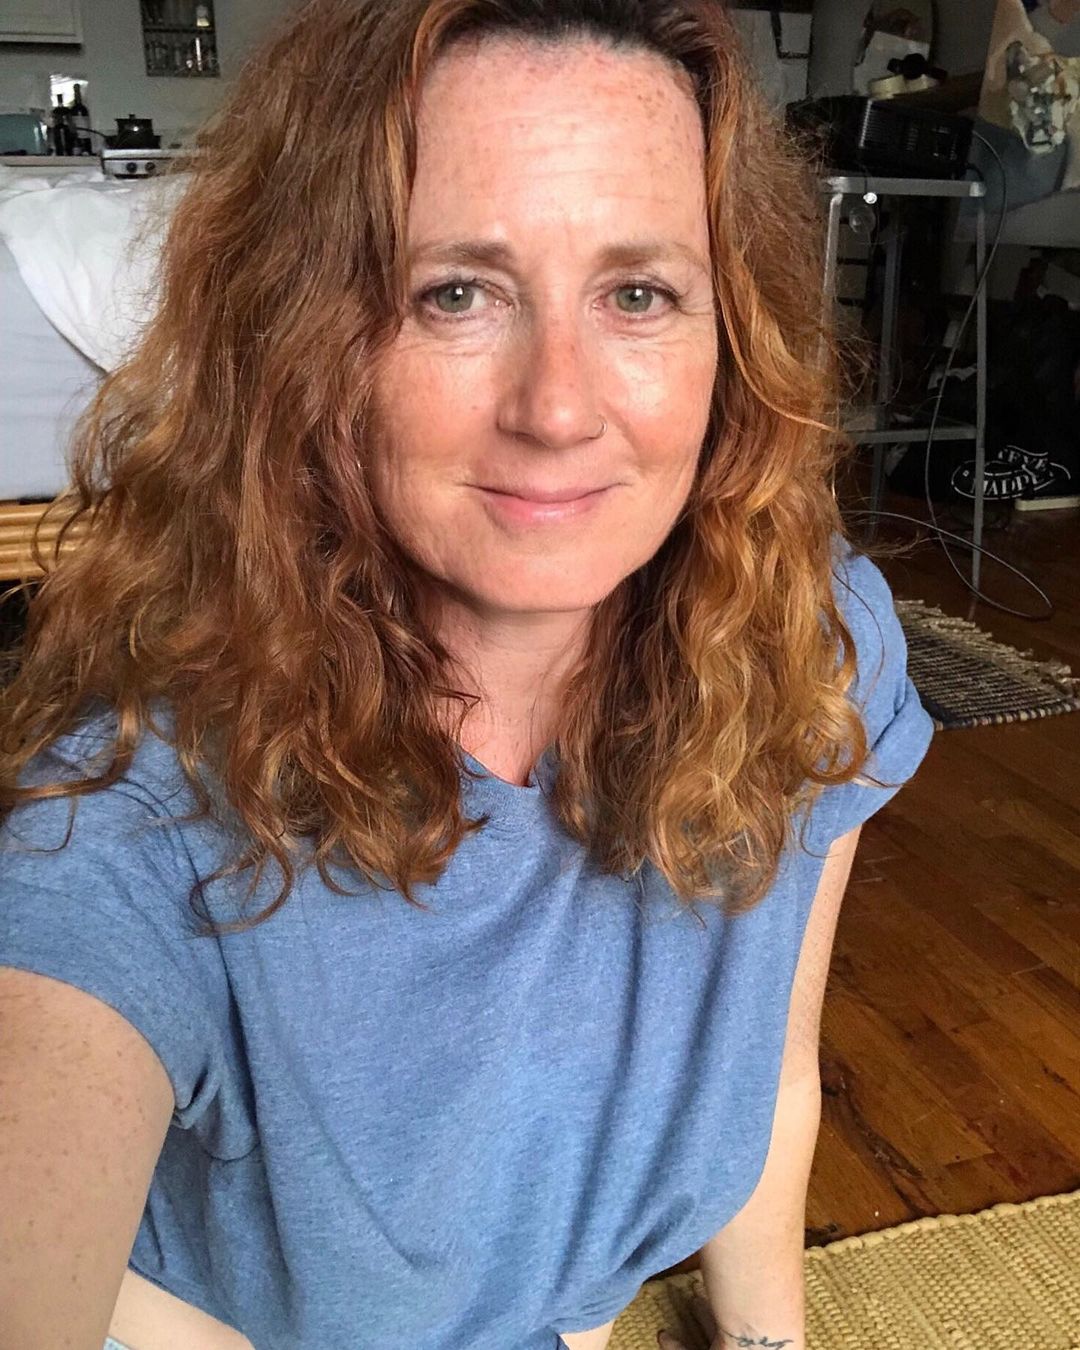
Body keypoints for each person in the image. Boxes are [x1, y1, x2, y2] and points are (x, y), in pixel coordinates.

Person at [0, 1, 935, 1348]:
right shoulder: (137, 821)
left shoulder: (806, 635)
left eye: (637, 294)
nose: (557, 407)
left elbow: (769, 1073)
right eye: (455, 293)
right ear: (307, 342)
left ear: (731, 338)